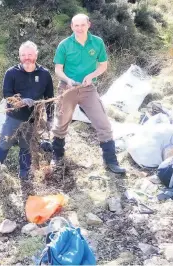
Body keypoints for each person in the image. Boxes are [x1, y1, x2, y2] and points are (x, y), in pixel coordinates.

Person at [51, 14, 126, 174]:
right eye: (76, 25)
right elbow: (58, 69)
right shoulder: (64, 45)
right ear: (71, 27)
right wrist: (68, 79)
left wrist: (91, 76)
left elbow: (103, 65)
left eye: (82, 25)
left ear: (88, 25)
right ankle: (57, 156)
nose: (79, 28)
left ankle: (111, 161)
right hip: (68, 88)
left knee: (103, 123)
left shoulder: (97, 42)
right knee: (61, 123)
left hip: (88, 89)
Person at [0, 41, 54, 180]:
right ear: (19, 56)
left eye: (30, 54)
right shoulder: (11, 73)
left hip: (33, 119)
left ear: (36, 55)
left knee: (26, 146)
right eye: (23, 55)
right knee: (4, 143)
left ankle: (24, 175)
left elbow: (50, 99)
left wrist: (50, 119)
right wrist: (21, 101)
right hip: (13, 117)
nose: (27, 57)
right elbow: (7, 95)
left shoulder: (44, 74)